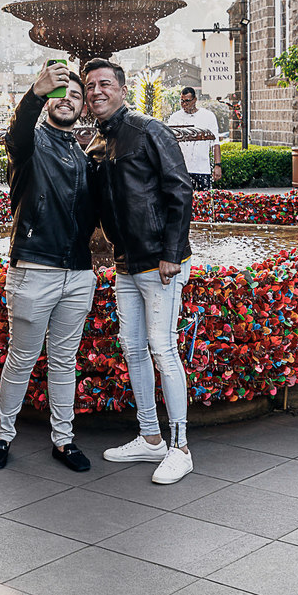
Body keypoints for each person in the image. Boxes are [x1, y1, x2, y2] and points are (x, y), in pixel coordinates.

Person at [83, 58, 196, 484]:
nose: (96, 91)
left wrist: (172, 251)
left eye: (105, 83)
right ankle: (150, 438)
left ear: (122, 88)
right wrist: (98, 251)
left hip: (161, 264)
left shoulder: (149, 129)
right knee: (132, 348)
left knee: (162, 349)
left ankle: (180, 446)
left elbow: (179, 189)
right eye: (90, 85)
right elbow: (98, 210)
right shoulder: (95, 144)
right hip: (126, 265)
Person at [0, 61, 96, 473]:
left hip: (79, 274)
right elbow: (18, 129)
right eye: (59, 93)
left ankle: (63, 441)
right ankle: (3, 435)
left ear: (84, 108)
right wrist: (34, 92)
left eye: (75, 95)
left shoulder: (86, 156)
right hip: (34, 270)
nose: (67, 100)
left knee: (65, 363)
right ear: (48, 99)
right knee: (22, 359)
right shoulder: (29, 145)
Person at [166, 86, 221, 190]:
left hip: (202, 169)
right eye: (182, 101)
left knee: (204, 201)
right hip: (182, 170)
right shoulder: (175, 117)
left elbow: (215, 143)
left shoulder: (208, 116)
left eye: (187, 101)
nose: (184, 104)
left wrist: (218, 165)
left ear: (195, 100)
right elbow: (169, 144)